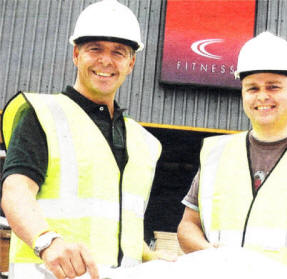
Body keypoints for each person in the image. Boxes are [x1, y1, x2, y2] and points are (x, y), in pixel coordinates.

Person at [0, 1, 166, 278]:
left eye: (118, 52)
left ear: (131, 63)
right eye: (95, 49)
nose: (106, 60)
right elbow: (16, 192)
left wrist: (149, 257)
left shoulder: (142, 141)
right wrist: (47, 241)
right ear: (76, 54)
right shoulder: (42, 114)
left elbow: (114, 224)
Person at [177, 31, 287, 273]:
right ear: (242, 93)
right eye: (252, 88)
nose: (262, 96)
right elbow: (187, 227)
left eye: (273, 87)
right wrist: (212, 256)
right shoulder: (216, 154)